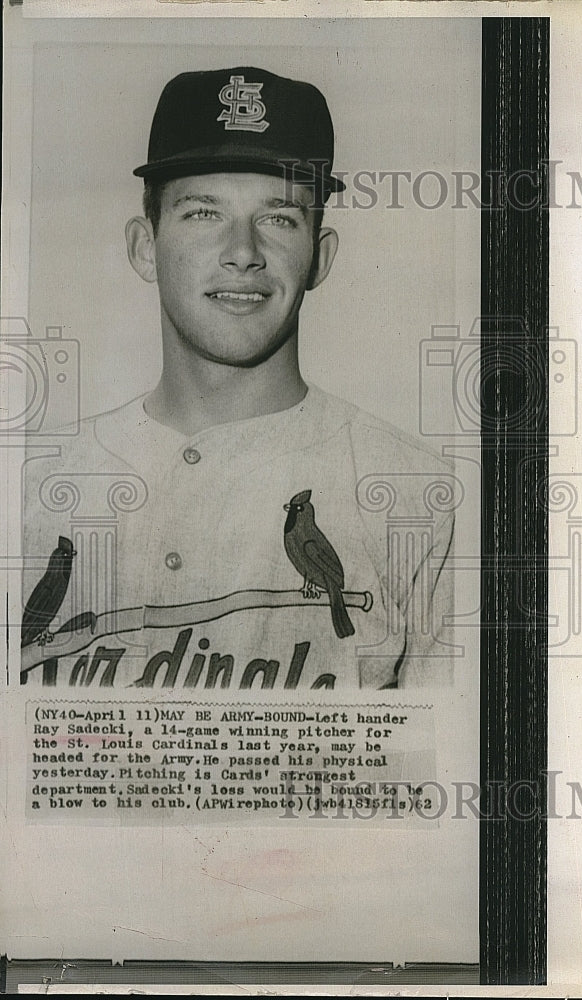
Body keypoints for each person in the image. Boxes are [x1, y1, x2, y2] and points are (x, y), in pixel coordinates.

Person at [21, 66, 457, 690]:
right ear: (145, 247)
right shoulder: (31, 489)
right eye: (203, 213)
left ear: (320, 257)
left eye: (279, 218)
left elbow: (444, 773)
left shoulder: (419, 499)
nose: (243, 251)